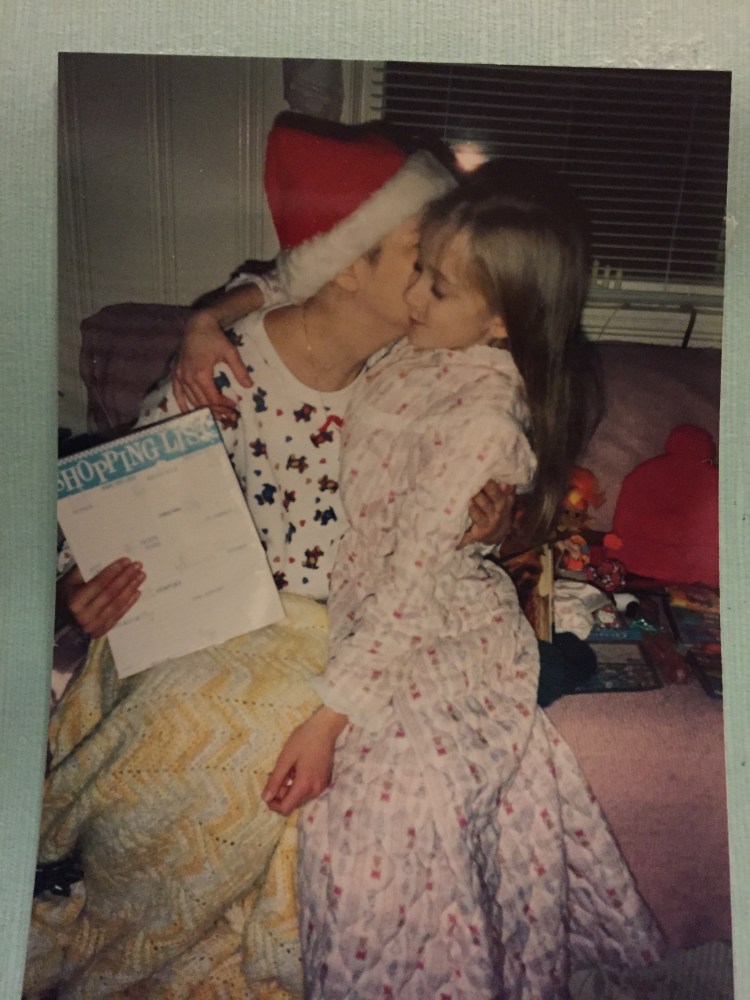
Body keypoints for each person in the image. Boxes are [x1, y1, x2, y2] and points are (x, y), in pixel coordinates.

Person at [28, 117, 511, 1000]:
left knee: (303, 722)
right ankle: (90, 877)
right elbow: (112, 506)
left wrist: (490, 519)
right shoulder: (223, 362)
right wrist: (74, 591)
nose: (445, 267)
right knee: (200, 715)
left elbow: (476, 484)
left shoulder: (424, 370)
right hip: (198, 623)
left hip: (330, 637)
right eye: (421, 249)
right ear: (350, 260)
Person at [262, 160, 665, 999]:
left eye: (438, 288)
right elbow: (279, 297)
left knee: (391, 800)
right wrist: (212, 322)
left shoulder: (484, 416)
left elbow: (416, 579)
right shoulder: (414, 349)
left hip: (442, 620)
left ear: (498, 323)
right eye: (420, 270)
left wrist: (326, 721)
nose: (413, 298)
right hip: (380, 608)